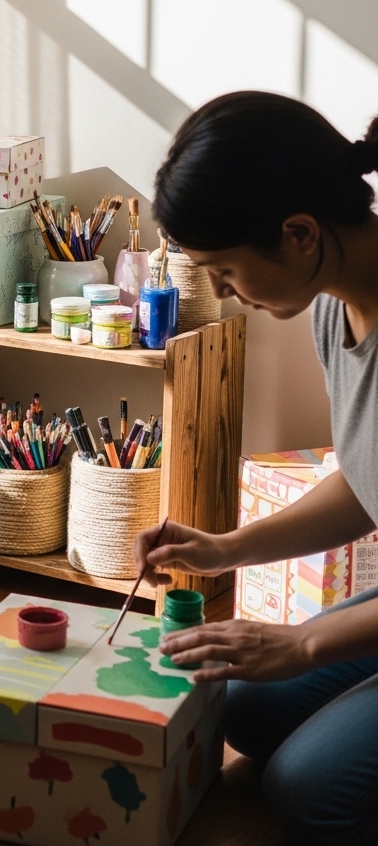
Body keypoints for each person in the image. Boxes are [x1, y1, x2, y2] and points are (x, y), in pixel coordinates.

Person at [135, 91, 378, 846]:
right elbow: (368, 480)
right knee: (238, 702)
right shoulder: (334, 306)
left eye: (223, 269)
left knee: (308, 789)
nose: (218, 292)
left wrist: (301, 645)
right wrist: (225, 548)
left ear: (299, 234)